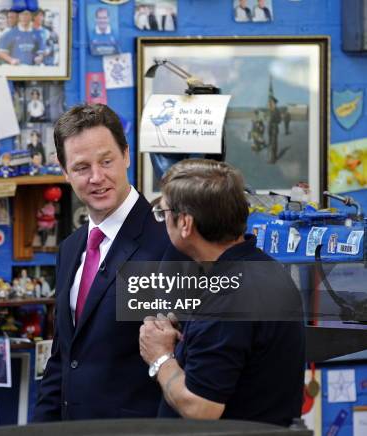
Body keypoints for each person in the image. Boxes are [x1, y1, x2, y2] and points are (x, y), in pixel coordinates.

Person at [34, 103, 184, 421]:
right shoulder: (70, 249)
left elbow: (188, 359)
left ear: (126, 155)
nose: (97, 177)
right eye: (81, 167)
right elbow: (63, 357)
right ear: (64, 171)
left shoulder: (168, 241)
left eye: (106, 161)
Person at [139, 159, 305, 426]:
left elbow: (201, 408)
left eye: (164, 212)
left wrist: (160, 356)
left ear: (185, 223)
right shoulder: (265, 269)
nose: (163, 220)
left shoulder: (228, 297)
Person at [267, 96, 281, 163]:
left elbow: (279, 120)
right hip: (271, 129)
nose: (270, 103)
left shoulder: (276, 110)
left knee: (273, 144)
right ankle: (273, 157)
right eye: (270, 102)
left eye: (271, 102)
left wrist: (273, 122)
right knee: (272, 144)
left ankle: (273, 159)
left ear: (274, 103)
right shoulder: (272, 110)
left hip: (274, 129)